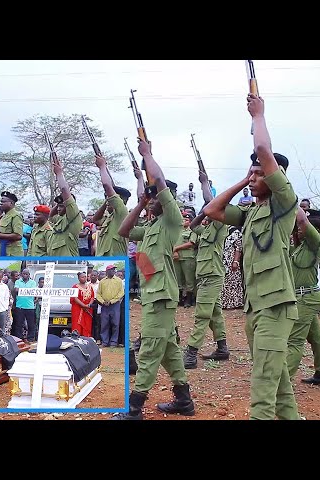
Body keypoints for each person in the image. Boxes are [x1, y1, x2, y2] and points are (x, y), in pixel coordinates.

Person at [203, 93, 300, 420]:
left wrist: (258, 116)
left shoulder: (284, 204)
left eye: (260, 175)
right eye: (252, 175)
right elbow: (212, 209)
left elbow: (263, 151)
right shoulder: (250, 213)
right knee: (278, 381)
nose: (254, 178)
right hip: (255, 307)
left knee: (262, 386)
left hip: (275, 306)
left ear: (276, 178)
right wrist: (245, 179)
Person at [115, 138, 195, 420]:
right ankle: (184, 401)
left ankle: (134, 408)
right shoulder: (150, 226)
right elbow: (124, 231)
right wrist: (140, 205)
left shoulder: (171, 219)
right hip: (152, 294)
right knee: (169, 349)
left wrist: (148, 155)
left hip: (161, 296)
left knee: (148, 349)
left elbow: (160, 183)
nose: (152, 199)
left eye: (155, 196)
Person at [183, 169, 230, 369]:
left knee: (202, 314)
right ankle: (222, 348)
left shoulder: (220, 225)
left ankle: (191, 353)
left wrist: (204, 184)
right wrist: (202, 213)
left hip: (212, 275)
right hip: (205, 275)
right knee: (214, 313)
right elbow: (193, 227)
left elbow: (215, 205)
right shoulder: (206, 228)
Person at [286, 208, 320, 382]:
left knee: (294, 340)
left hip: (307, 297)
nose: (299, 229)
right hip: (303, 296)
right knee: (315, 336)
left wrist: (290, 200)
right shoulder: (301, 245)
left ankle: (283, 383)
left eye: (301, 227)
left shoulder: (316, 242)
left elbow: (302, 221)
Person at [93, 154, 130, 257]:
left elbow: (106, 185)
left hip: (117, 261)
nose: (109, 200)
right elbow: (95, 220)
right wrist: (106, 202)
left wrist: (102, 167)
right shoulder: (110, 217)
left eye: (111, 198)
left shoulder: (122, 213)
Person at [49, 157, 83, 257]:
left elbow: (64, 189)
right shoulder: (60, 219)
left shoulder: (73, 216)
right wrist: (59, 203)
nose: (58, 209)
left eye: (61, 207)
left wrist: (59, 173)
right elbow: (51, 216)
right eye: (58, 206)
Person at [96, 265, 124, 347]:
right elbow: (98, 294)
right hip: (104, 306)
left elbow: (121, 293)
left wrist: (112, 301)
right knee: (104, 324)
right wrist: (102, 302)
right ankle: (105, 342)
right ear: (107, 271)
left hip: (115, 305)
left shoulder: (119, 281)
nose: (114, 271)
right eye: (112, 270)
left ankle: (113, 342)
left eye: (114, 269)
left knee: (115, 324)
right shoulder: (102, 282)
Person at [173, 212, 198, 307]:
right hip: (176, 257)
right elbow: (172, 242)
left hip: (188, 257)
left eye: (186, 220)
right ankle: (179, 298)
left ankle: (189, 299)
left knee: (189, 279)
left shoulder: (193, 231)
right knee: (178, 279)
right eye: (183, 219)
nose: (184, 221)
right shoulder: (177, 231)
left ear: (191, 222)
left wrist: (177, 248)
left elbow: (191, 243)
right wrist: (174, 251)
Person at [220, 226, 244, 309]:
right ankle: (225, 303)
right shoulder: (222, 230)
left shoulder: (236, 232)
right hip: (222, 260)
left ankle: (235, 303)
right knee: (224, 282)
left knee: (233, 281)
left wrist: (235, 261)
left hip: (231, 260)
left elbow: (238, 248)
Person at [0, 192, 24, 256]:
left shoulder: (16, 216)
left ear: (11, 203)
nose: (1, 203)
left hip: (13, 253)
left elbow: (18, 236)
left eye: (3, 201)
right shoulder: (3, 217)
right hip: (3, 251)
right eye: (0, 202)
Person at [12, 269, 37, 341]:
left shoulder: (33, 282)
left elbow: (33, 291)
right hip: (20, 306)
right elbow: (16, 290)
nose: (25, 275)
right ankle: (19, 338)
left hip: (30, 306)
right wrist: (26, 290)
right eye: (23, 274)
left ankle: (31, 338)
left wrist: (22, 290)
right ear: (21, 274)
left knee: (31, 324)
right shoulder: (18, 281)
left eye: (26, 274)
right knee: (18, 324)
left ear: (29, 275)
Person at [70, 271, 94, 337]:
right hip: (77, 308)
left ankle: (86, 338)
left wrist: (89, 305)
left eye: (85, 277)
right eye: (82, 277)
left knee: (87, 324)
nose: (84, 278)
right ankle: (76, 338)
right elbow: (74, 298)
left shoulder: (90, 286)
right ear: (79, 278)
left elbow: (92, 297)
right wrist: (83, 305)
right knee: (77, 324)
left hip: (88, 309)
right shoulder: (75, 287)